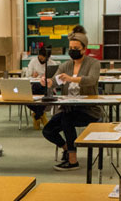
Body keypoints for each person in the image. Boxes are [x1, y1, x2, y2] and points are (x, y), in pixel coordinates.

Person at [41, 31, 101, 171]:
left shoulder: (94, 63)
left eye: (76, 49)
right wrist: (47, 82)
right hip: (68, 108)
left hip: (88, 110)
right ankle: (67, 148)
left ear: (84, 49)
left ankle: (73, 161)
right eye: (71, 48)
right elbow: (55, 81)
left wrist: (71, 79)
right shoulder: (65, 65)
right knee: (48, 130)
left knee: (67, 119)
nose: (72, 51)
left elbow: (91, 80)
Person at [24, 47, 53, 129]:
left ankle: (36, 115)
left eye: (44, 58)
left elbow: (54, 76)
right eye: (41, 57)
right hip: (34, 86)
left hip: (46, 86)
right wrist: (33, 75)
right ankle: (41, 114)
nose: (42, 59)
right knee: (26, 98)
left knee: (48, 95)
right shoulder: (33, 61)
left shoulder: (51, 62)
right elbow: (27, 75)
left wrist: (47, 77)